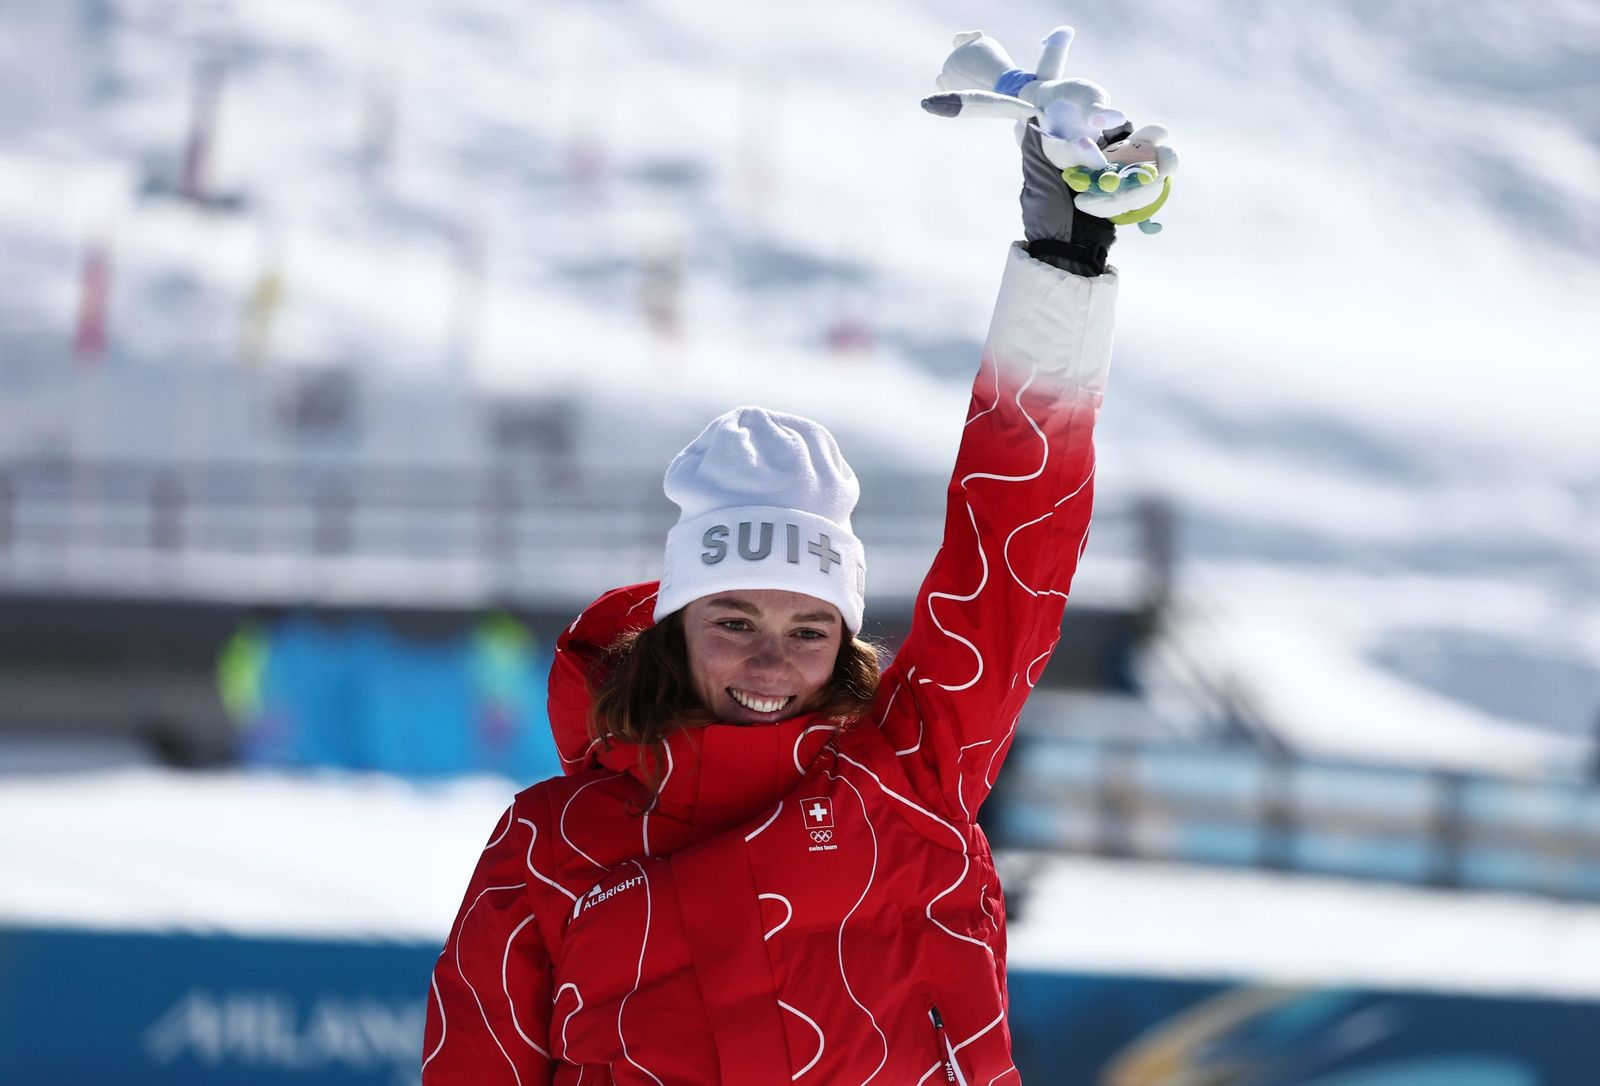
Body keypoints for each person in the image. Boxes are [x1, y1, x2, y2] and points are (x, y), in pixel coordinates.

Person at [423, 29, 1172, 1085]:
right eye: (734, 621)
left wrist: (1062, 267)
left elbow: (1010, 548)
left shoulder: (911, 774)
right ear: (673, 624)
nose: (771, 664)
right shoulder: (552, 844)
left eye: (807, 627)